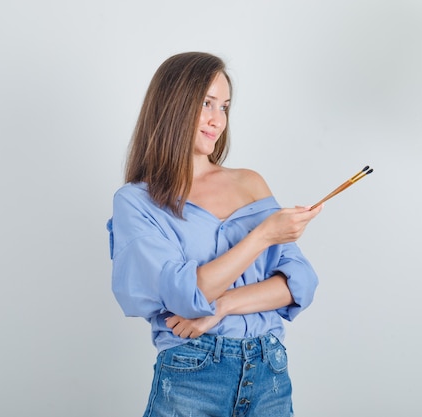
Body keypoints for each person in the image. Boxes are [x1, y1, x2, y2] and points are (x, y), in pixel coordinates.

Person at [107, 52, 322, 417]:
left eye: (224, 106)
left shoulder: (250, 183)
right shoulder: (137, 202)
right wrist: (262, 236)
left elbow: (299, 282)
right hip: (194, 374)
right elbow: (188, 296)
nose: (216, 119)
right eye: (206, 103)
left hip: (269, 371)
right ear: (173, 105)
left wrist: (221, 306)